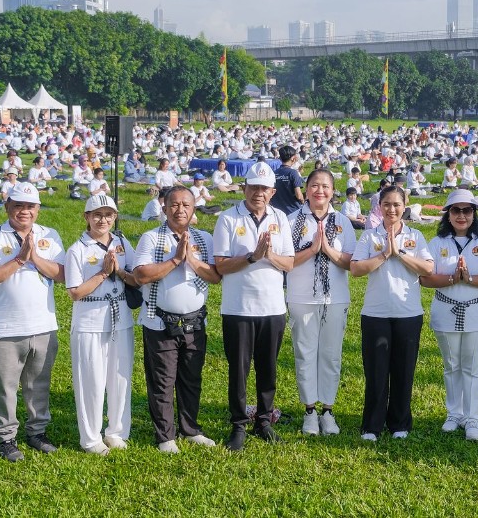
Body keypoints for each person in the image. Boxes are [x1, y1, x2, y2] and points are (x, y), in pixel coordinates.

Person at [0, 182, 65, 462]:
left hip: (43, 326)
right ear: (8, 207)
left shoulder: (49, 235)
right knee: (5, 387)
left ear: (37, 209)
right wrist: (19, 259)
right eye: (18, 206)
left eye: (30, 206)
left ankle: (37, 432)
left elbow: (61, 274)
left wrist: (34, 256)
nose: (24, 211)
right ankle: (6, 438)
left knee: (39, 383)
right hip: (5, 328)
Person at [133, 186, 221, 454]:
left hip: (195, 322)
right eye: (174, 204)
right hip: (160, 322)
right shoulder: (151, 238)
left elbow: (215, 276)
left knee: (191, 377)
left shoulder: (204, 238)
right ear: (164, 207)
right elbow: (141, 275)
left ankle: (190, 428)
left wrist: (191, 259)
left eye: (186, 204)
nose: (180, 209)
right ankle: (165, 435)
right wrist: (175, 260)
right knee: (162, 379)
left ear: (194, 209)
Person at [213, 162, 295, 451]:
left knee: (267, 367)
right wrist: (250, 257)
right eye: (253, 187)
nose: (258, 193)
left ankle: (264, 419)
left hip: (272, 307)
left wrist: (268, 254)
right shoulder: (227, 218)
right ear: (244, 188)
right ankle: (238, 423)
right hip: (238, 308)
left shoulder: (281, 218)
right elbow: (221, 265)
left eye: (264, 188)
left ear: (272, 192)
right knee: (238, 368)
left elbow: (290, 262)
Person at [350, 185, 434, 441]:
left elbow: (428, 268)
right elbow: (356, 269)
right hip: (376, 313)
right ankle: (372, 426)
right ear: (379, 206)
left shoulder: (415, 236)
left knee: (403, 369)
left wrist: (401, 254)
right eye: (386, 204)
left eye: (397, 204)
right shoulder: (369, 237)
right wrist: (385, 254)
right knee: (376, 371)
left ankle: (399, 423)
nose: (391, 209)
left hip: (408, 312)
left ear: (405, 205)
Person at [420, 190, 478, 441]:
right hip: (445, 309)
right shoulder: (437, 244)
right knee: (451, 365)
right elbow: (425, 278)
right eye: (456, 210)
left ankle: (472, 419)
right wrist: (450, 278)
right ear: (448, 214)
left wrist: (469, 279)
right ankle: (453, 413)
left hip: (477, 311)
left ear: (474, 214)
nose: (461, 215)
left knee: (472, 367)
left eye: (467, 210)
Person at [64, 195, 138, 455]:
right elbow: (74, 292)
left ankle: (117, 431)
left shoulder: (122, 243)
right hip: (89, 320)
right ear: (86, 217)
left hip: (120, 319)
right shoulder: (78, 250)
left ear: (115, 217)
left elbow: (135, 277)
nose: (103, 219)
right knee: (90, 381)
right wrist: (103, 273)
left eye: (108, 214)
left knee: (120, 377)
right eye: (97, 214)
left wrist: (120, 273)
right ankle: (90, 438)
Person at [287, 168, 357, 437]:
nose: (320, 191)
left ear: (333, 190)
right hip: (301, 296)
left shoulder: (343, 221)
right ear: (306, 189)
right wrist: (312, 250)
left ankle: (327, 409)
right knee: (305, 354)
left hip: (335, 298)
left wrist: (327, 249)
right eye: (315, 185)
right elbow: (285, 261)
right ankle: (309, 410)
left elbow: (351, 263)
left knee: (330, 355)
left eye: (326, 186)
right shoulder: (292, 220)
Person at [271, 145, 305, 216]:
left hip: (277, 212)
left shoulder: (273, 173)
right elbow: (298, 195)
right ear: (293, 158)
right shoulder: (293, 173)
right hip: (292, 211)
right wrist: (303, 202)